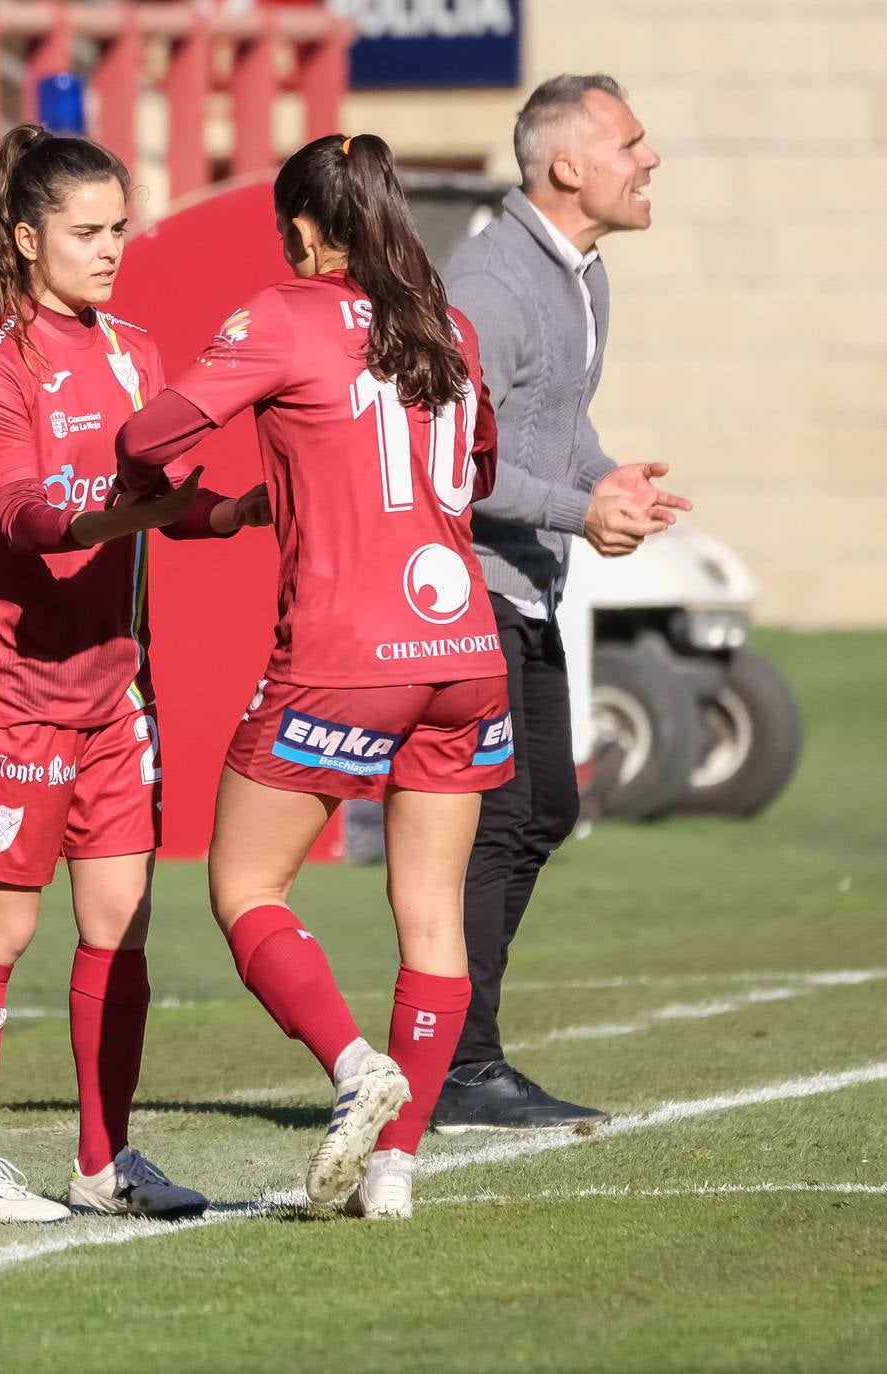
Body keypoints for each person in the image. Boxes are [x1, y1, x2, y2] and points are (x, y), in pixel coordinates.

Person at [118, 131, 510, 1220]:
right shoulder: (451, 328)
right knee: (430, 916)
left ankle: (350, 1064)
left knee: (243, 888)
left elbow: (154, 430)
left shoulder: (285, 313)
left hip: (344, 654)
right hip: (465, 651)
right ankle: (395, 1171)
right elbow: (474, 470)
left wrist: (154, 474)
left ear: (300, 226)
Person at [0, 125, 243, 1226]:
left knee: (122, 921)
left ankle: (104, 1163)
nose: (111, 249)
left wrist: (234, 510)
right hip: (13, 686)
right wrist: (116, 511)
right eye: (86, 231)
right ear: (24, 237)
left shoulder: (133, 351)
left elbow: (169, 490)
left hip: (114, 691)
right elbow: (18, 513)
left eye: (120, 229)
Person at [435, 75, 689, 1131]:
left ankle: (454, 1054)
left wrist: (604, 480)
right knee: (496, 817)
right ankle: (457, 1062)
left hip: (530, 584)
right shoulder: (490, 284)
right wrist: (577, 513)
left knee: (546, 808)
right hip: (466, 588)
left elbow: (547, 426)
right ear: (565, 166)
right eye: (629, 141)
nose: (649, 158)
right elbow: (451, 461)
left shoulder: (581, 277)